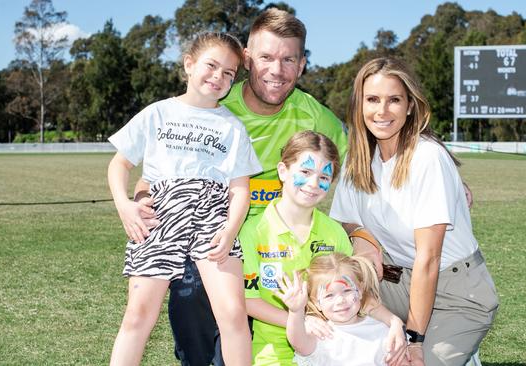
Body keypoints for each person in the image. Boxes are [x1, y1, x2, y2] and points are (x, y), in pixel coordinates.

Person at [133, 8, 348, 365]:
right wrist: (142, 199)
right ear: (247, 59)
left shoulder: (316, 117)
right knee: (189, 295)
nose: (276, 71)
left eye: (288, 59)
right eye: (265, 57)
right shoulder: (213, 107)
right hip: (215, 244)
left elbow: (374, 146)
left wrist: (446, 165)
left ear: (303, 64)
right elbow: (154, 174)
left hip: (279, 249)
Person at [330, 57, 499, 366]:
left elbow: (428, 259)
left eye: (394, 100)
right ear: (359, 105)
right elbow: (344, 219)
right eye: (372, 100)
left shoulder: (427, 158)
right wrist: (362, 236)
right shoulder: (358, 161)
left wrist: (416, 340)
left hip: (455, 290)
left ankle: (456, 344)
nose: (382, 111)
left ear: (409, 106)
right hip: (395, 283)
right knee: (335, 315)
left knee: (414, 362)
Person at [107, 32, 260, 366]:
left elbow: (240, 189)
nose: (218, 77)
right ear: (189, 64)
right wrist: (125, 206)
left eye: (229, 74)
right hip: (160, 216)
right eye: (211, 65)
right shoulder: (157, 113)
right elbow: (119, 164)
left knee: (233, 316)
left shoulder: (233, 127)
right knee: (137, 316)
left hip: (212, 217)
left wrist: (230, 230)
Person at [239, 131, 406, 366]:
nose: (313, 184)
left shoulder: (334, 232)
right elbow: (247, 301)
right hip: (274, 355)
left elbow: (356, 293)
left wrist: (394, 322)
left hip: (330, 353)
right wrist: (300, 319)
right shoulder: (253, 232)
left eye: (324, 177)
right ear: (283, 171)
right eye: (305, 172)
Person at [278, 253, 406, 366]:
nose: (340, 301)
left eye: (347, 290)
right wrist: (296, 311)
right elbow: (298, 342)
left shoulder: (383, 331)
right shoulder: (319, 334)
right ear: (316, 303)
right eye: (329, 295)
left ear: (360, 290)